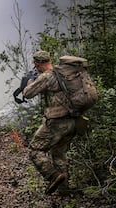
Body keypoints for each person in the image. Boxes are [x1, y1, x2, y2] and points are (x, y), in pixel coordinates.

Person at [23, 50, 77, 196]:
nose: (35, 67)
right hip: (73, 121)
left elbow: (27, 93)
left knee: (35, 150)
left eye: (35, 64)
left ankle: (53, 176)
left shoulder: (47, 76)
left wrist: (29, 81)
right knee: (59, 154)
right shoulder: (64, 74)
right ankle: (64, 192)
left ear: (38, 63)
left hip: (56, 122)